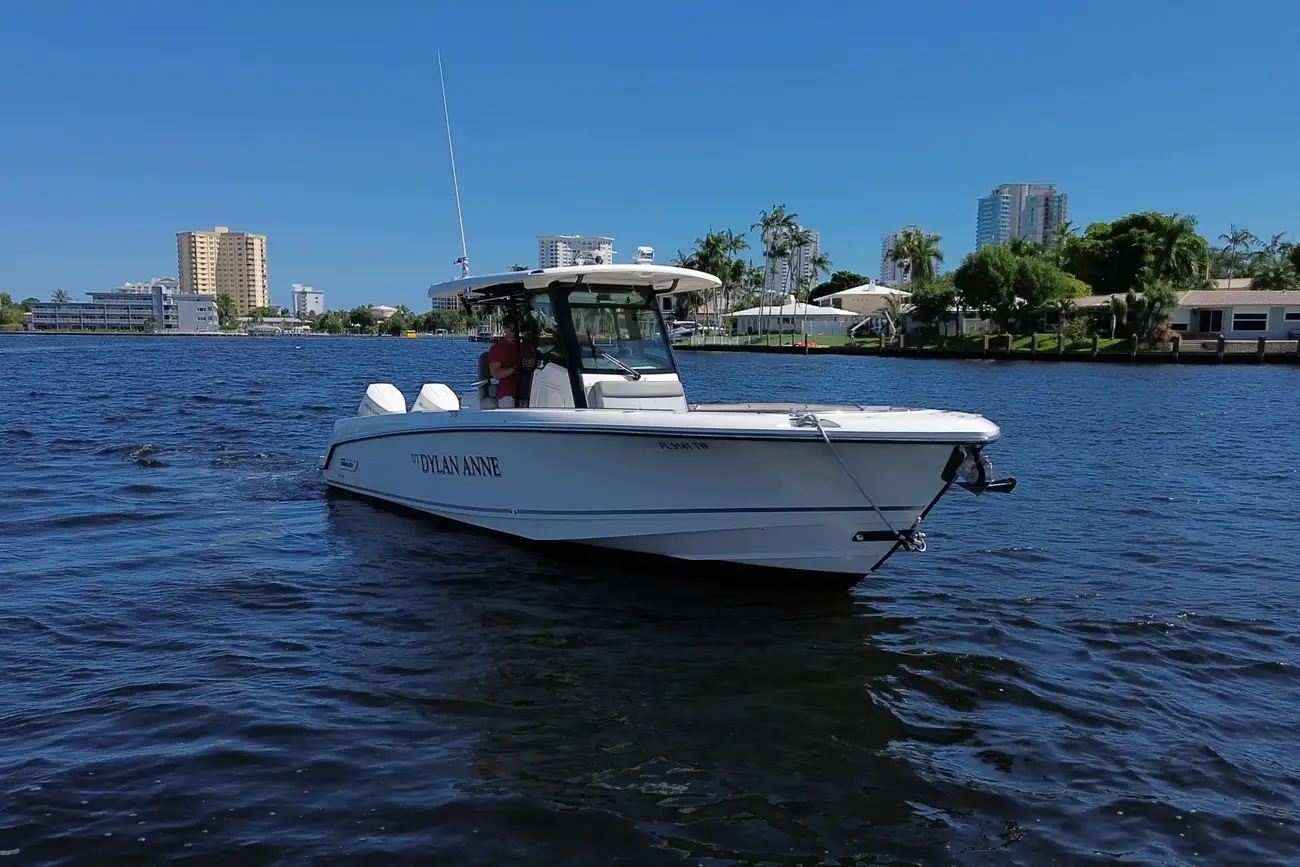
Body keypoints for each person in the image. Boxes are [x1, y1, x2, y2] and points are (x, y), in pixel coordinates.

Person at [486, 314, 534, 407]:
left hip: (530, 393)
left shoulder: (526, 346)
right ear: (504, 328)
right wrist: (515, 368)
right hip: (508, 396)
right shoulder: (496, 348)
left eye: (515, 329)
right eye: (510, 329)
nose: (513, 333)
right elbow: (496, 374)